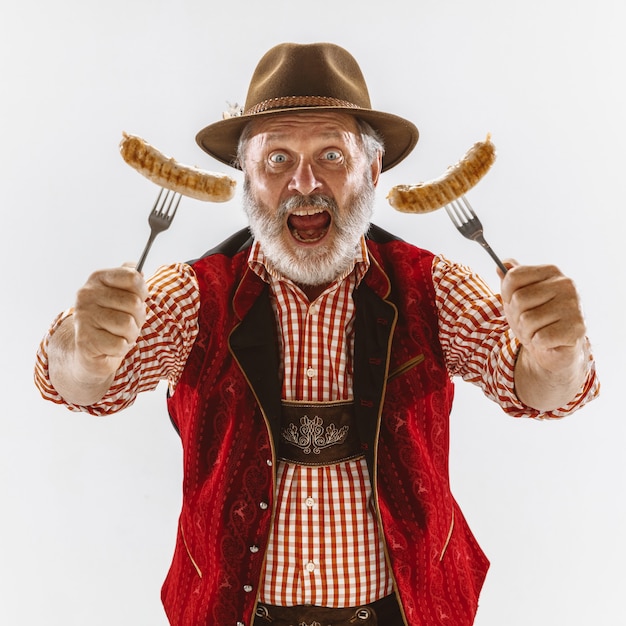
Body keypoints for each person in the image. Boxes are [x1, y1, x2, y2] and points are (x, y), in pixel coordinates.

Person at [35, 42, 599, 626]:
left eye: (331, 154)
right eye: (277, 159)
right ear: (245, 177)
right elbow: (84, 385)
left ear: (373, 170)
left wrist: (558, 354)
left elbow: (537, 386)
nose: (305, 183)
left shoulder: (428, 286)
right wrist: (84, 350)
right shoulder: (195, 295)